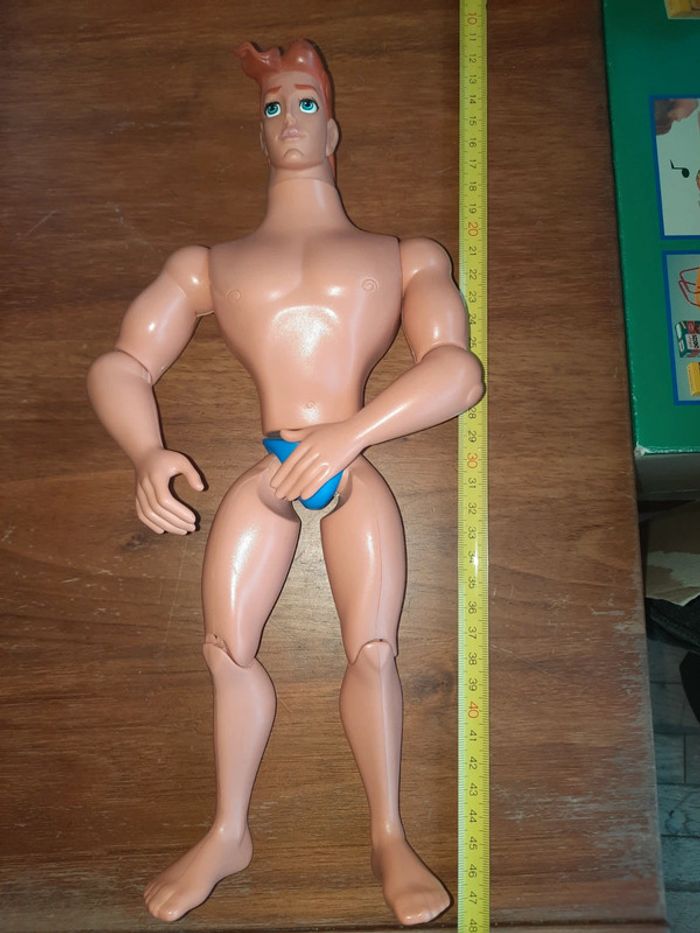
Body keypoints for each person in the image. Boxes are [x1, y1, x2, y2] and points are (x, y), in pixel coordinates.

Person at [87, 38, 484, 926]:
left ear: (332, 129)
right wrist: (145, 450)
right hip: (269, 468)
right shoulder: (209, 265)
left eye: (306, 103)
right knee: (224, 651)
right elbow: (121, 363)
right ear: (257, 133)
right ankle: (228, 830)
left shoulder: (402, 256)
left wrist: (350, 434)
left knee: (372, 650)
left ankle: (387, 833)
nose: (290, 119)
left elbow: (457, 372)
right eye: (273, 107)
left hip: (350, 465)